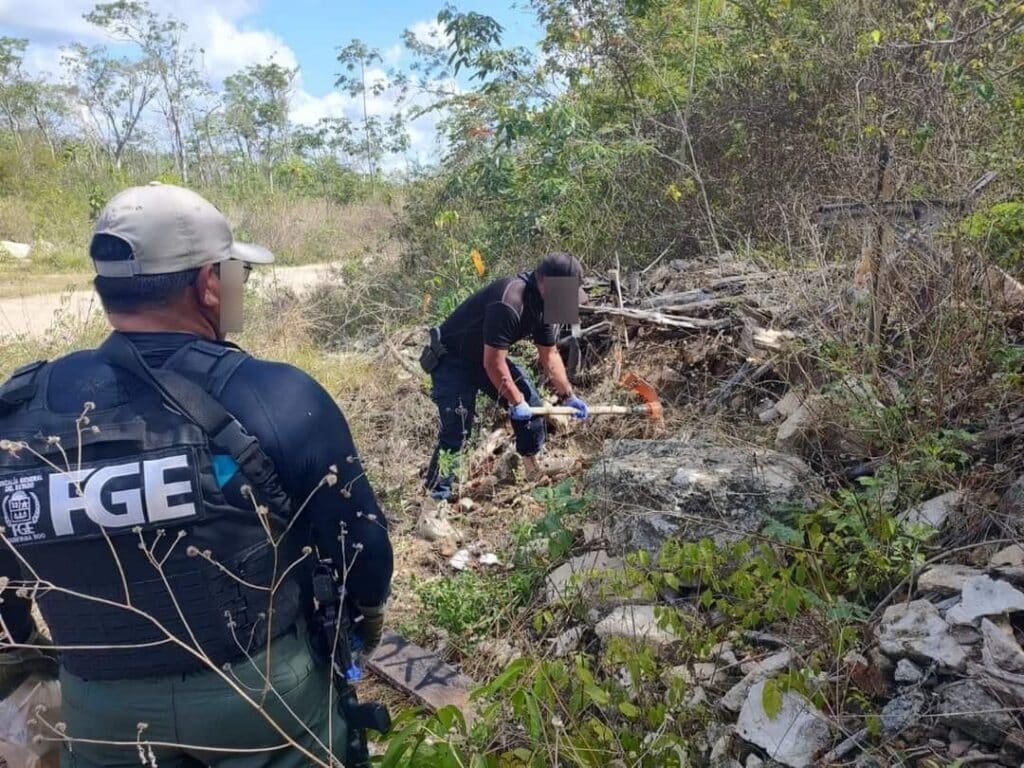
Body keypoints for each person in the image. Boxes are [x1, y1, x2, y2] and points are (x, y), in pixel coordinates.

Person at [0, 182, 393, 767]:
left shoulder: (20, 409)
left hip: (101, 714)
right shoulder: (274, 394)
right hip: (259, 695)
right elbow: (362, 550)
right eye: (238, 275)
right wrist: (363, 621)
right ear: (210, 284)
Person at [422, 252, 588, 500]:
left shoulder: (547, 302)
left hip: (484, 357)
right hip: (452, 360)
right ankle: (435, 499)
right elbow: (493, 363)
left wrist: (568, 396)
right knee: (458, 429)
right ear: (542, 281)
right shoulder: (510, 302)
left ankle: (531, 467)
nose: (564, 299)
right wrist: (514, 400)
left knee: (532, 406)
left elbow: (550, 354)